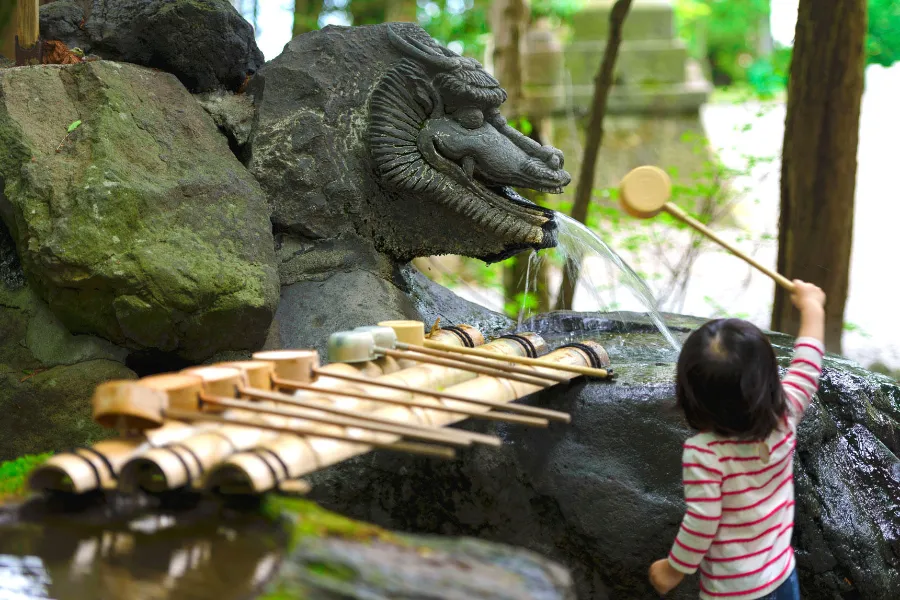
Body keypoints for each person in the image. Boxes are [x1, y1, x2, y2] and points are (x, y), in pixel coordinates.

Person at [649, 280, 826, 599]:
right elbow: (808, 363)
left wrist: (673, 569)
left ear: (692, 393)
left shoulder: (704, 454)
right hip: (782, 574)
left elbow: (703, 520)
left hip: (733, 592)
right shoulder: (785, 413)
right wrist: (812, 306)